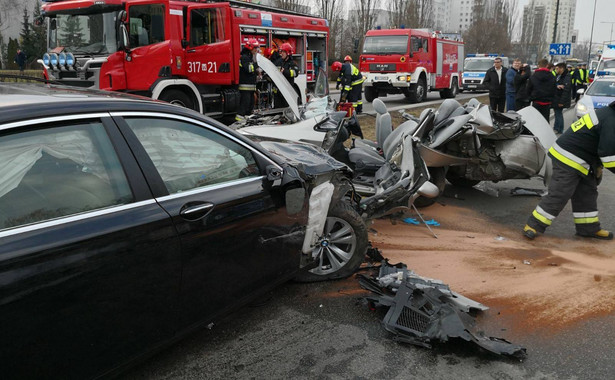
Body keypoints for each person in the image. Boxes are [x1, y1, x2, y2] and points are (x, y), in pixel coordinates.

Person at [523, 101, 615, 241]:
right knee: (560, 193)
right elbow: (608, 154)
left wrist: (597, 166)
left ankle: (588, 228)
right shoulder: (611, 120)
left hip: (584, 159)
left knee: (587, 193)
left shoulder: (609, 115)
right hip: (568, 156)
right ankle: (533, 225)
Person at [237, 38, 260, 120]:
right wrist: (258, 64)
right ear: (250, 48)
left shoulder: (249, 57)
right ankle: (238, 122)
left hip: (250, 88)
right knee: (244, 107)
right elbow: (249, 69)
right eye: (255, 48)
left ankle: (246, 122)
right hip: (245, 87)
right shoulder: (245, 57)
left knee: (250, 107)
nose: (257, 50)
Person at [552, 62, 572, 134]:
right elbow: (555, 83)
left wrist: (561, 102)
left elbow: (566, 90)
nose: (556, 70)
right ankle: (556, 127)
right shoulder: (558, 75)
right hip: (556, 98)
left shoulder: (567, 76)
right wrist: (557, 85)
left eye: (557, 68)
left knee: (558, 113)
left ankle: (559, 129)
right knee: (557, 113)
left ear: (561, 68)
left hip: (560, 99)